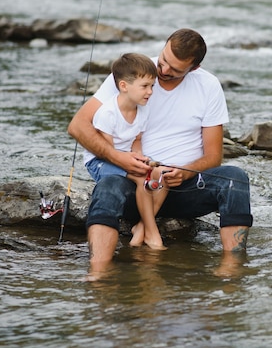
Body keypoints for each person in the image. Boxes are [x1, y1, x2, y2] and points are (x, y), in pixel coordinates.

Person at [68, 28, 253, 274]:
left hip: (180, 188)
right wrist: (118, 158)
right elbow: (78, 126)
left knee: (234, 179)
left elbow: (213, 156)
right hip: (133, 185)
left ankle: (231, 268)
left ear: (193, 69)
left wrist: (185, 174)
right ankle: (99, 271)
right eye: (163, 60)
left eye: (175, 70)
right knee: (109, 187)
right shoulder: (135, 72)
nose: (163, 71)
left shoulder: (208, 86)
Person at [82, 53, 167, 250]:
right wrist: (135, 164)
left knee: (162, 175)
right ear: (123, 86)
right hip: (101, 161)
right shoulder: (108, 113)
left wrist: (141, 157)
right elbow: (107, 152)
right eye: (145, 86)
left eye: (152, 86)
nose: (150, 92)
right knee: (141, 178)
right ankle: (152, 233)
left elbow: (136, 142)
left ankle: (141, 228)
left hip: (124, 158)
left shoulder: (142, 110)